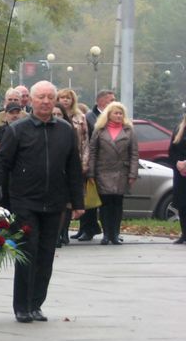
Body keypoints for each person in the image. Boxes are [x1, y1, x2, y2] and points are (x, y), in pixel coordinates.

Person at [0, 81, 84, 323]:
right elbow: (2, 163)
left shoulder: (66, 130)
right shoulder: (18, 130)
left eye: (50, 97)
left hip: (54, 202)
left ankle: (36, 304)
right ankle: (22, 306)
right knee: (28, 252)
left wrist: (77, 202)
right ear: (32, 101)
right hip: (25, 202)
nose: (46, 101)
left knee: (46, 254)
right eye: (41, 97)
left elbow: (74, 168)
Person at [87, 101, 138, 246]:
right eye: (116, 113)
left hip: (122, 171)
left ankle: (115, 234)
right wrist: (91, 172)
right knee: (105, 204)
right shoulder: (99, 130)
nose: (118, 115)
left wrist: (132, 174)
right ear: (108, 114)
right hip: (103, 171)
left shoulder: (129, 130)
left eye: (121, 113)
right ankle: (106, 234)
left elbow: (134, 153)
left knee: (117, 203)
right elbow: (93, 151)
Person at [76, 89, 116, 241]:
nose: (113, 103)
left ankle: (110, 232)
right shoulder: (89, 117)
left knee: (109, 201)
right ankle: (88, 228)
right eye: (110, 100)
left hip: (110, 167)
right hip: (93, 164)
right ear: (100, 101)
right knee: (89, 199)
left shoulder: (116, 118)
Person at [56, 88, 89, 245]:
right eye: (62, 97)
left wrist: (84, 162)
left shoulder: (80, 117)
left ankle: (65, 232)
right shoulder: (52, 116)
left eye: (68, 98)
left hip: (75, 160)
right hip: (59, 162)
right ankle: (58, 231)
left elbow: (85, 142)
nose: (65, 100)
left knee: (70, 201)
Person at [168, 113, 186, 244]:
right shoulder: (178, 128)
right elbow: (171, 151)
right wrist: (177, 163)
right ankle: (184, 234)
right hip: (180, 174)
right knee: (182, 205)